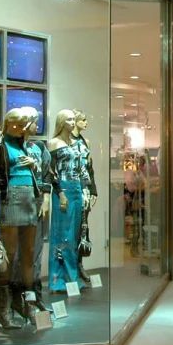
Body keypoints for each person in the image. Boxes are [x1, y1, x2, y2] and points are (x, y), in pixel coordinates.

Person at [0, 108, 41, 328]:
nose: (19, 129)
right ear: (7, 124)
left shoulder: (25, 145)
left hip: (29, 200)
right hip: (11, 200)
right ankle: (2, 309)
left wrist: (34, 166)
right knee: (8, 255)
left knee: (28, 255)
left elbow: (34, 174)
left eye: (22, 125)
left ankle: (27, 304)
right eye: (15, 125)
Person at [11, 106, 53, 314]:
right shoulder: (10, 146)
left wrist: (46, 199)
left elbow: (47, 175)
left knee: (36, 251)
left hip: (37, 203)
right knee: (20, 253)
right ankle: (18, 298)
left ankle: (34, 296)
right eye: (35, 121)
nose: (38, 125)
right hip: (19, 203)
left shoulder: (40, 148)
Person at [47, 109, 90, 292]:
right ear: (62, 122)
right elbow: (50, 172)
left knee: (74, 235)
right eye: (69, 119)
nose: (73, 122)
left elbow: (83, 170)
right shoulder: (53, 144)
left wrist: (86, 191)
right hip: (62, 189)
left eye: (74, 119)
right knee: (61, 234)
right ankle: (58, 279)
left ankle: (73, 277)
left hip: (77, 189)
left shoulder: (77, 144)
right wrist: (60, 193)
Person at [70, 109, 97, 282]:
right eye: (84, 120)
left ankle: (80, 264)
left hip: (85, 187)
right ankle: (70, 265)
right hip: (72, 187)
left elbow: (90, 168)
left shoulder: (85, 142)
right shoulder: (66, 142)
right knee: (72, 227)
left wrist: (93, 190)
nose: (86, 123)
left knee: (84, 227)